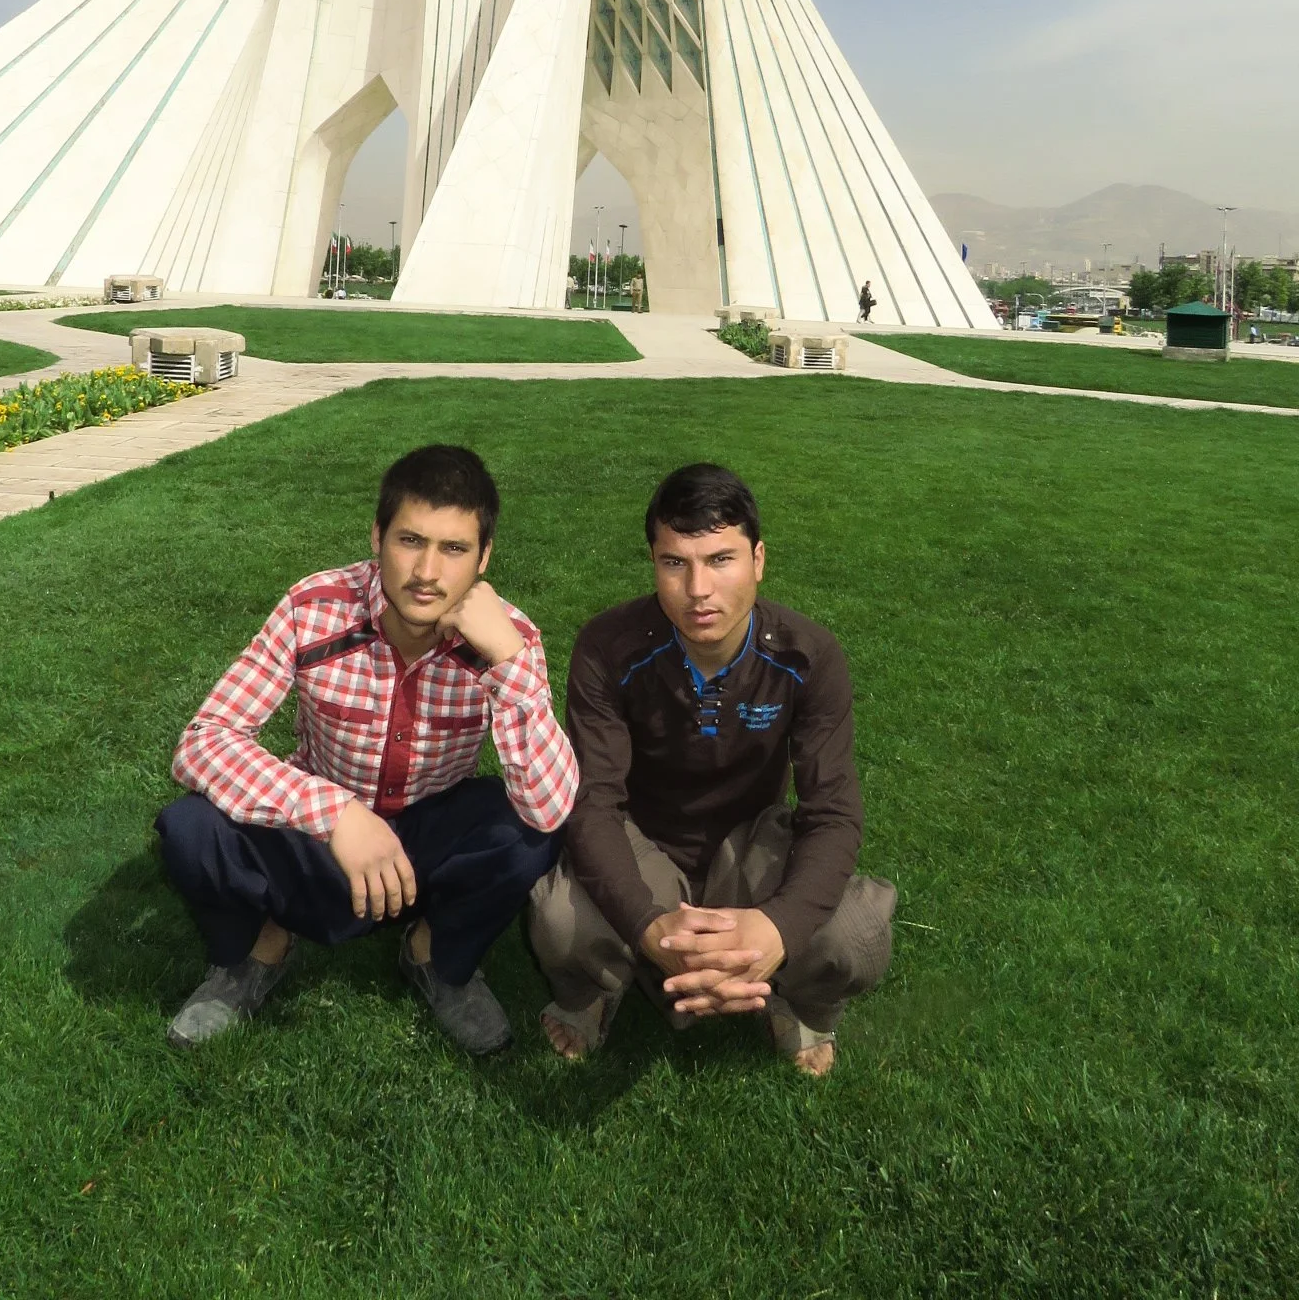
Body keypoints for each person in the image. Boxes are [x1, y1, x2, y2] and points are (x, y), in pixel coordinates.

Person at [156, 444, 577, 1053]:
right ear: (378, 536)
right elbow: (203, 742)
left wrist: (509, 662)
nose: (427, 572)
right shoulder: (314, 607)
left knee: (527, 829)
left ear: (484, 558)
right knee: (190, 828)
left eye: (454, 549)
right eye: (411, 541)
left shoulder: (509, 637)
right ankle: (252, 955)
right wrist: (334, 813)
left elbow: (551, 805)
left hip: (426, 844)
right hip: (319, 833)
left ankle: (437, 958)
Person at [529, 463, 895, 1077]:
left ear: (758, 560)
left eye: (720, 559)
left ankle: (795, 1000)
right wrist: (648, 927)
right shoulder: (607, 647)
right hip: (642, 839)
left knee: (855, 931)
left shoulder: (810, 655)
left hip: (749, 845)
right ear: (653, 563)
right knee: (558, 919)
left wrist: (778, 928)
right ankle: (592, 993)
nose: (699, 588)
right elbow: (592, 804)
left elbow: (832, 812)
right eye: (675, 563)